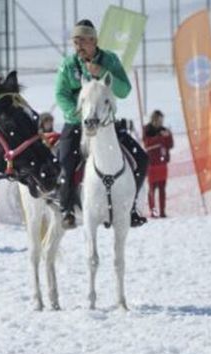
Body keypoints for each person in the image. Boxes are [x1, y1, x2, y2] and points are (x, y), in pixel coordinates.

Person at [54, 19, 149, 230]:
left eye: (82, 41)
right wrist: (79, 114)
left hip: (107, 125)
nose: (78, 46)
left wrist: (101, 72)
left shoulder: (110, 60)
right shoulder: (68, 65)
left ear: (94, 41)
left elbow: (124, 90)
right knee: (65, 163)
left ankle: (130, 207)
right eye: (75, 41)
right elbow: (60, 94)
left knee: (141, 159)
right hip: (77, 124)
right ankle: (67, 210)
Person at [143, 110, 173, 218]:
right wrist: (160, 137)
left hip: (162, 163)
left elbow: (170, 145)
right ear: (154, 119)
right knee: (152, 188)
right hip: (152, 164)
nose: (161, 122)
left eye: (162, 120)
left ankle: (162, 212)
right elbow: (148, 143)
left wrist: (169, 135)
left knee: (162, 188)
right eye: (159, 120)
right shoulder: (147, 129)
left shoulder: (163, 130)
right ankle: (153, 212)